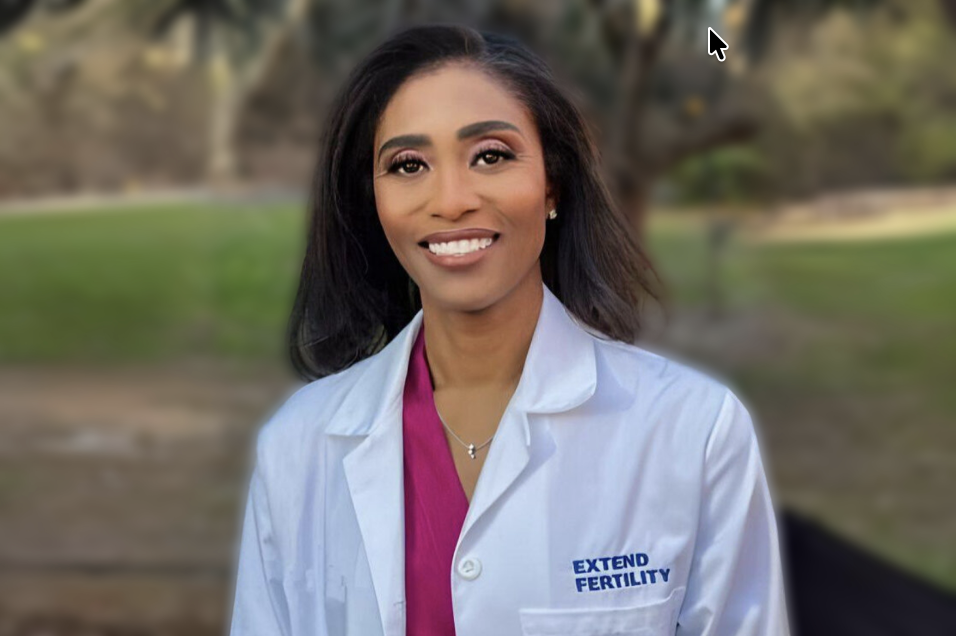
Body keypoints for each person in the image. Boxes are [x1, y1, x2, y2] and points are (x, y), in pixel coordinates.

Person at [227, 22, 792, 636]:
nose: (451, 199)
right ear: (373, 200)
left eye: (491, 156)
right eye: (408, 164)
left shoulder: (695, 431)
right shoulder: (298, 445)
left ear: (552, 182)